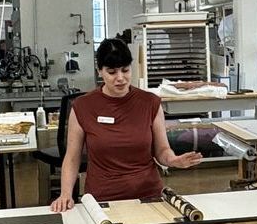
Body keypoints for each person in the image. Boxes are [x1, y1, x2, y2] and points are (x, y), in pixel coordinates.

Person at [50, 37, 202, 212]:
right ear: (100, 71)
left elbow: (162, 151)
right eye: (112, 72)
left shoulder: (150, 103)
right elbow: (72, 156)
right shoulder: (83, 106)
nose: (120, 78)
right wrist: (65, 194)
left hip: (149, 197)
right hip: (102, 201)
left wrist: (174, 161)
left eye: (125, 70)